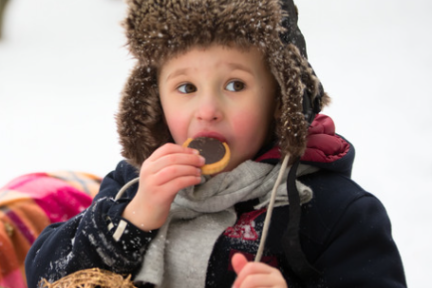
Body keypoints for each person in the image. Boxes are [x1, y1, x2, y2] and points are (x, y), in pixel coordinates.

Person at [25, 0, 407, 287]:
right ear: (155, 100)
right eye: (186, 87)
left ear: (281, 98)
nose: (207, 110)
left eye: (235, 85)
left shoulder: (333, 211)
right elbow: (44, 274)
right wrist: (131, 221)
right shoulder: (135, 185)